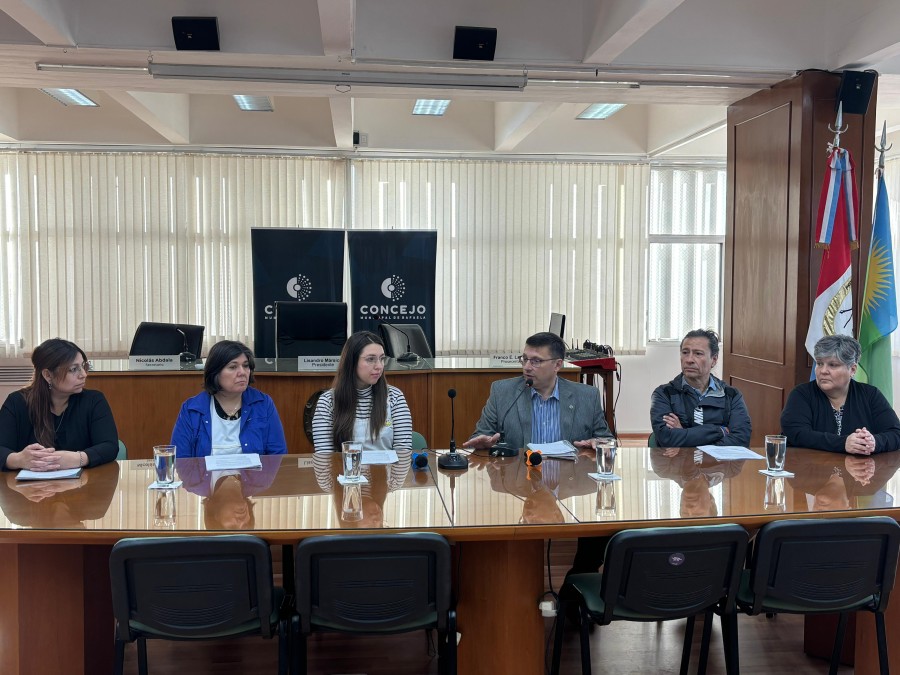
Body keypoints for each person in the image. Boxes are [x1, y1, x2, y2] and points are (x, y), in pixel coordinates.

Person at [464, 331, 611, 451]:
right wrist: (483, 442)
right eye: (525, 359)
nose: (527, 367)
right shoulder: (502, 392)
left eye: (536, 361)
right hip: (520, 479)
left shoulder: (587, 396)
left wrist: (597, 441)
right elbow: (481, 434)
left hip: (566, 479)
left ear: (557, 365)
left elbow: (606, 439)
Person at [0, 338, 118, 471]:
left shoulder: (94, 400)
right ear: (48, 375)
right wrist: (19, 460)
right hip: (29, 489)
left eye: (84, 366)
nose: (83, 374)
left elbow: (110, 446)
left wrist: (78, 458)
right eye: (74, 369)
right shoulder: (17, 402)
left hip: (82, 487)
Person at [781, 334, 900, 454]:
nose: (823, 371)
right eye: (820, 363)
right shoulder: (801, 394)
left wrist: (874, 442)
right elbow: (796, 433)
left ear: (852, 370)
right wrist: (843, 443)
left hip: (859, 470)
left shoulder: (870, 395)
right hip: (811, 468)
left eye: (833, 365)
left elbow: (896, 433)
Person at [170, 340, 287, 458]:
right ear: (215, 372)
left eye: (246, 366)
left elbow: (277, 456)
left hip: (255, 476)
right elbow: (181, 461)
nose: (242, 372)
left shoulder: (263, 403)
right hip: (205, 477)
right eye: (233, 367)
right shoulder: (192, 409)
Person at [311, 331, 413, 453]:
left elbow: (403, 454)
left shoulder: (395, 397)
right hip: (343, 471)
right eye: (371, 359)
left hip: (387, 471)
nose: (379, 366)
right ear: (352, 362)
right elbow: (325, 458)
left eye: (382, 359)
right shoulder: (327, 401)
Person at [650, 329, 751, 448]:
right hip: (678, 465)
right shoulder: (664, 394)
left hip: (719, 465)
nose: (689, 360)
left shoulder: (732, 395)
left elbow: (741, 440)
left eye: (698, 353)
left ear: (714, 360)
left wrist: (684, 433)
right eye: (685, 352)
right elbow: (667, 438)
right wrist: (720, 431)